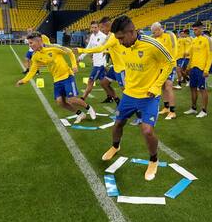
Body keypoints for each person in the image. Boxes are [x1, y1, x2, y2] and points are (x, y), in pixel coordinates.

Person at [100, 16, 175, 181]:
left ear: (132, 32)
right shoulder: (122, 45)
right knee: (118, 123)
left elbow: (170, 62)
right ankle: (115, 146)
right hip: (129, 94)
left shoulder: (152, 45)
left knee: (147, 131)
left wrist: (157, 85)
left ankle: (154, 159)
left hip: (149, 95)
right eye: (117, 38)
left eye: (121, 38)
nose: (119, 42)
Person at [16, 32, 96, 124]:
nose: (30, 45)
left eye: (31, 43)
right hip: (57, 79)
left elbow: (69, 52)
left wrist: (74, 65)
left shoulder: (53, 48)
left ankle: (89, 108)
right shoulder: (36, 56)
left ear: (38, 41)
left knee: (71, 99)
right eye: (29, 43)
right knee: (60, 102)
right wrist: (24, 80)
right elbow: (32, 70)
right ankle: (80, 114)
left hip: (67, 75)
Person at [74, 17, 125, 105]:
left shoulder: (110, 36)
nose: (101, 30)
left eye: (101, 27)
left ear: (107, 25)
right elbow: (102, 48)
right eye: (94, 27)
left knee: (126, 90)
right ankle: (117, 101)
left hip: (119, 67)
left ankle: (138, 110)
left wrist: (81, 50)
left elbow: (101, 48)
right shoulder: (105, 35)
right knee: (104, 83)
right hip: (114, 66)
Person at [183, 20, 212, 118]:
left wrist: (206, 70)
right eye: (193, 30)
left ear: (201, 28)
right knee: (192, 88)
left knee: (202, 89)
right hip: (193, 68)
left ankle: (204, 110)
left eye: (196, 29)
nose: (194, 32)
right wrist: (188, 67)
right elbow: (191, 55)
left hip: (202, 69)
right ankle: (193, 108)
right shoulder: (194, 40)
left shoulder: (207, 39)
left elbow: (210, 55)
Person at [151, 22, 178, 120]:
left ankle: (172, 111)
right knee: (162, 86)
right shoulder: (156, 38)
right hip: (160, 67)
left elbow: (174, 49)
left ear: (159, 29)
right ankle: (166, 107)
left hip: (169, 65)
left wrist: (171, 64)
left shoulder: (170, 35)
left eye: (154, 32)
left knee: (168, 86)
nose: (153, 34)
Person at [77, 21, 108, 101]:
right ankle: (111, 97)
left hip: (100, 64)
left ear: (98, 27)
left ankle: (83, 98)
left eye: (95, 27)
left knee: (91, 81)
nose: (94, 29)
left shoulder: (103, 37)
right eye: (92, 27)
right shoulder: (92, 36)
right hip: (96, 63)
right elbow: (88, 48)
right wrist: (81, 57)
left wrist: (104, 62)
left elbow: (106, 49)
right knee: (104, 83)